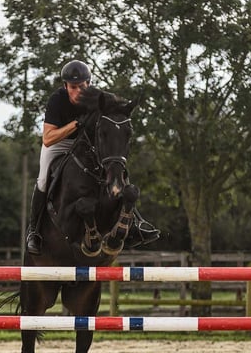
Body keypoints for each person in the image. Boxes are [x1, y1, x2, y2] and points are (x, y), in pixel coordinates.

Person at [26, 59, 159, 255]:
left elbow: (118, 115)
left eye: (82, 86)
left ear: (88, 83)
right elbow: (47, 138)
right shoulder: (57, 100)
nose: (77, 91)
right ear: (65, 86)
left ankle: (134, 224)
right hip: (59, 143)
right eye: (73, 87)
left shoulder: (100, 98)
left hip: (87, 145)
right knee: (43, 180)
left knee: (115, 167)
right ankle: (34, 231)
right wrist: (76, 124)